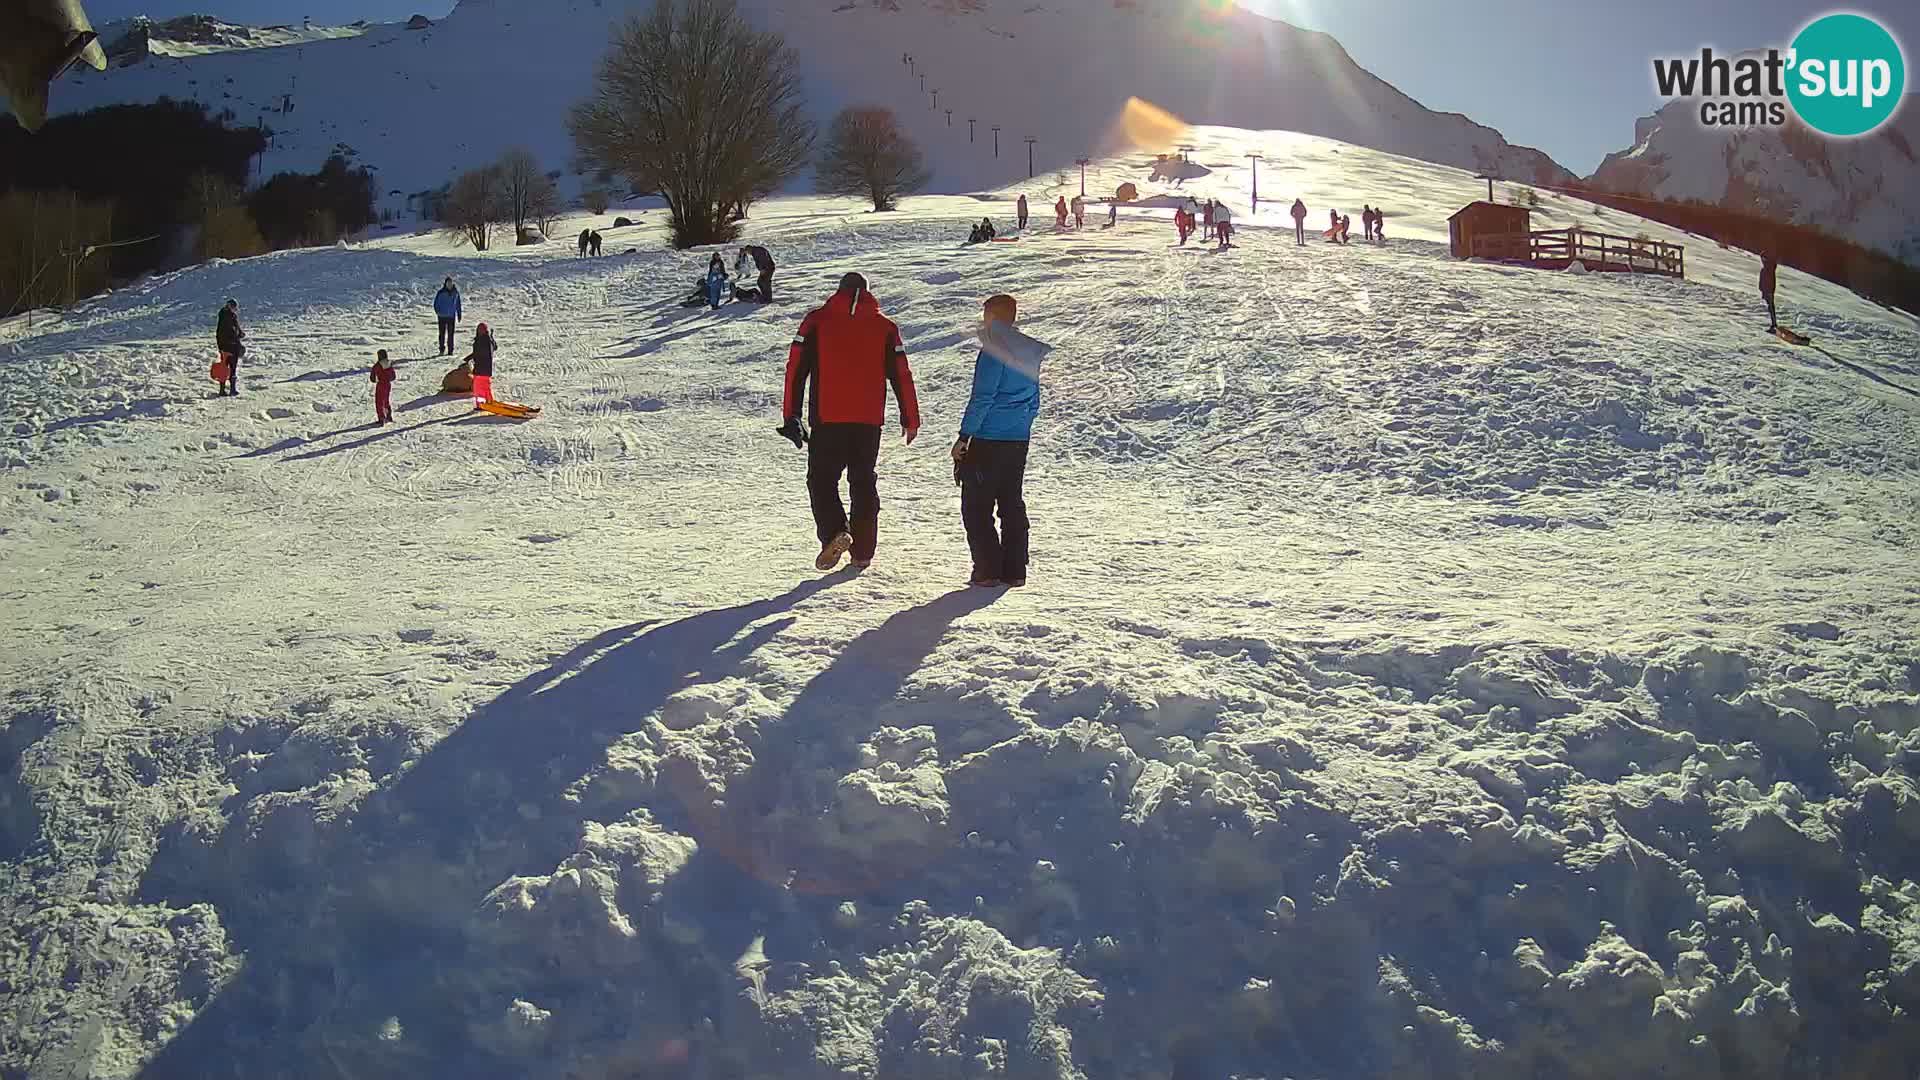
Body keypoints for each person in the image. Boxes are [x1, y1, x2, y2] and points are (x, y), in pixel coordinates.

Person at [779, 272, 920, 571]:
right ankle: (863, 552)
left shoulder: (817, 321)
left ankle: (835, 532)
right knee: (863, 480)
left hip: (828, 418)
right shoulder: (885, 327)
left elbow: (796, 368)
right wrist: (910, 418)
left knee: (821, 480)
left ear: (839, 291)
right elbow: (901, 372)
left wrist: (791, 414)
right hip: (868, 421)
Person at [954, 293, 1048, 589]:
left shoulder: (994, 349)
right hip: (1017, 438)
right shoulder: (1027, 351)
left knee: (977, 506)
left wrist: (964, 436)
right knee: (1011, 502)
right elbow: (1034, 400)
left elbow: (983, 397)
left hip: (988, 437)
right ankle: (1015, 569)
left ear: (992, 316)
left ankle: (987, 569)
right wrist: (1021, 427)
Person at [462, 323, 497, 405]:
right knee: (485, 387)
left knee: (478, 388)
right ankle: (489, 401)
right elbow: (494, 348)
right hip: (486, 369)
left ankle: (481, 404)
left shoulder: (481, 341)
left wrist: (468, 358)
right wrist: (492, 338)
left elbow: (478, 353)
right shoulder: (488, 340)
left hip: (480, 369)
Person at [215, 298, 244, 396]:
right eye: (234, 307)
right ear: (229, 306)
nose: (235, 309)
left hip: (232, 346)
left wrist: (240, 333)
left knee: (232, 368)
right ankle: (223, 390)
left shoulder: (232, 316)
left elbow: (236, 330)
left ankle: (231, 389)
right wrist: (221, 347)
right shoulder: (225, 317)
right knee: (225, 368)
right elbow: (222, 333)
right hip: (227, 347)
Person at [433, 276, 462, 356]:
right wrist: (438, 312)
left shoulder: (455, 293)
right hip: (442, 316)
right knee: (442, 334)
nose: (449, 285)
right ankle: (441, 349)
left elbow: (458, 304)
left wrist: (459, 314)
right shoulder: (441, 293)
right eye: (448, 283)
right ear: (445, 284)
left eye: (450, 283)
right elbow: (436, 303)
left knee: (451, 334)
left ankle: (450, 350)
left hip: (451, 316)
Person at [370, 348, 396, 425]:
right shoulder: (389, 364)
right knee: (386, 401)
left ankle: (381, 418)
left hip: (380, 384)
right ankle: (388, 416)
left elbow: (372, 378)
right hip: (388, 384)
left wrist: (377, 380)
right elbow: (393, 376)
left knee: (379, 402)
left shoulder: (377, 366)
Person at [1760, 253, 1779, 330]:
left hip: (1769, 291)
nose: (1762, 260)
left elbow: (1769, 282)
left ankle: (1774, 324)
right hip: (1767, 291)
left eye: (1763, 258)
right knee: (1770, 307)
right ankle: (1773, 324)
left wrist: (1767, 291)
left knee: (1771, 307)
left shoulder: (1768, 269)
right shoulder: (1766, 268)